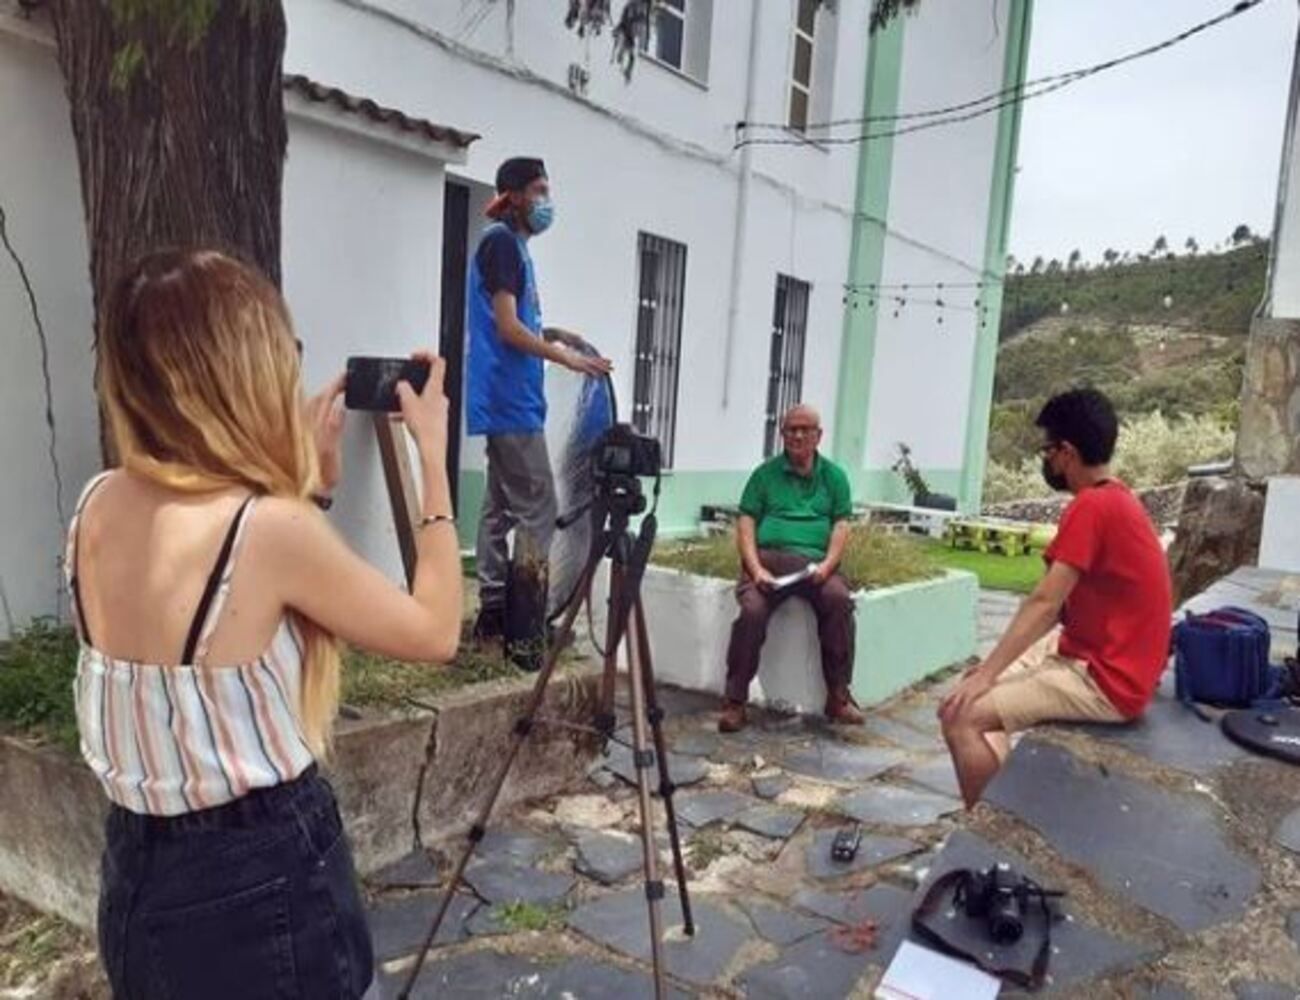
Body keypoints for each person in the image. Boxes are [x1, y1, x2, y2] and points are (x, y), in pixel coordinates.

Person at [70, 249, 462, 999]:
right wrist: (433, 460)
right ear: (243, 370)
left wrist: (307, 493)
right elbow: (436, 629)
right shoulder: (267, 531)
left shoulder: (97, 506)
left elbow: (226, 623)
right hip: (260, 874)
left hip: (136, 871)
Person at [938, 388, 1172, 808]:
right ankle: (1000, 800)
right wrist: (988, 672)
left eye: (1048, 451)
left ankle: (989, 836)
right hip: (1107, 659)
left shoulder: (1092, 507)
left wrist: (989, 673)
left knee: (959, 717)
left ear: (1066, 452)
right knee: (969, 689)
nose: (1046, 460)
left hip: (1107, 681)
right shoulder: (1116, 498)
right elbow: (1057, 609)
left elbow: (1044, 603)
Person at [466, 156, 611, 653]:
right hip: (510, 400)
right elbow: (506, 329)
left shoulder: (510, 248)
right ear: (514, 196)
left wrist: (553, 332)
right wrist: (564, 357)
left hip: (507, 397)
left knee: (499, 507)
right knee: (539, 508)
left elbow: (505, 319)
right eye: (539, 191)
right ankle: (523, 622)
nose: (546, 201)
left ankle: (492, 612)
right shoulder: (503, 244)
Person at [719, 404, 866, 732]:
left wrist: (828, 566)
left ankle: (838, 697)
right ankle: (734, 702)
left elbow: (841, 526)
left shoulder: (834, 477)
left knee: (840, 601)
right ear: (782, 434)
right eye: (790, 430)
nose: (797, 435)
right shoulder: (764, 475)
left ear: (819, 436)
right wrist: (755, 570)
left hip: (815, 567)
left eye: (805, 429)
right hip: (768, 563)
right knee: (751, 612)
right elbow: (745, 523)